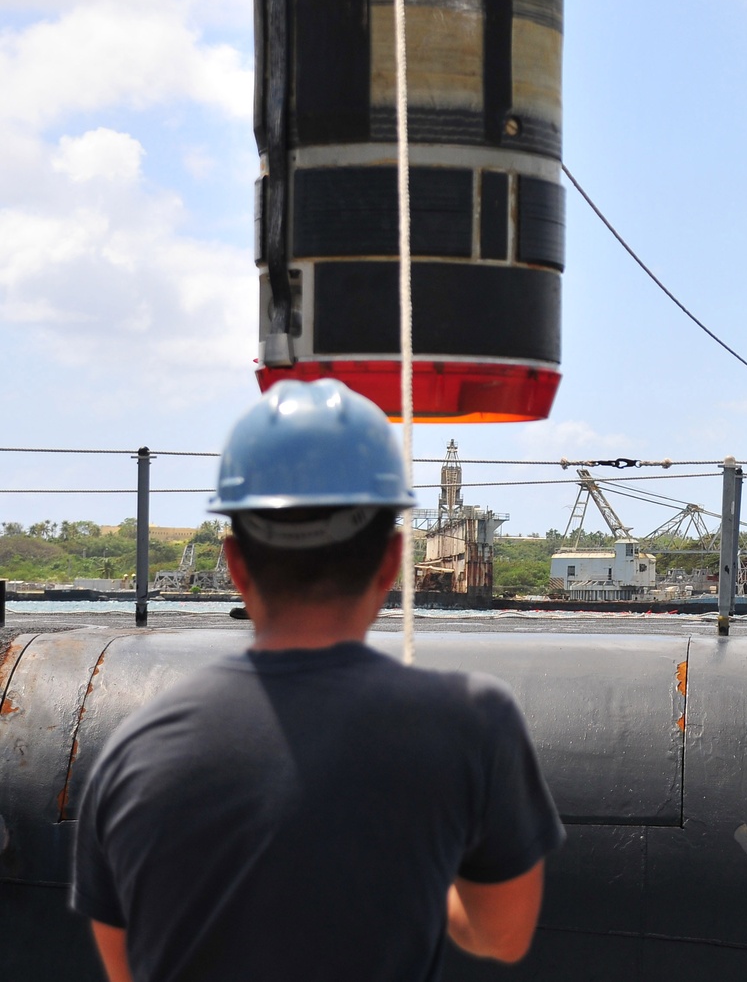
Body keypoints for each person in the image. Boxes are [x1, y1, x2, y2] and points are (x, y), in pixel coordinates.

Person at [70, 379, 565, 982]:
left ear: (234, 563)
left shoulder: (130, 753)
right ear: (391, 560)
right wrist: (413, 870)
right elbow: (504, 934)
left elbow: (130, 969)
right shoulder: (475, 723)